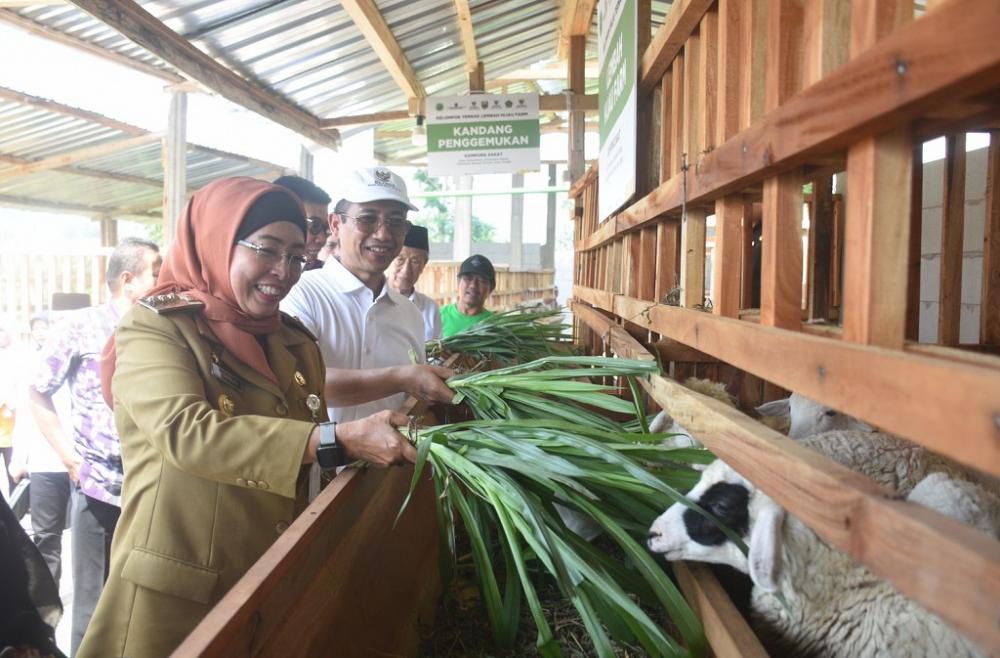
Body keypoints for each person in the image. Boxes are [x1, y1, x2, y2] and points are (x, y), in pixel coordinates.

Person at [77, 177, 416, 658]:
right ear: (217, 239)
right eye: (268, 249)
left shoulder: (293, 340)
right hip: (181, 594)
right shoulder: (158, 328)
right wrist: (334, 440)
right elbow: (188, 433)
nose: (283, 270)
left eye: (297, 256)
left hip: (270, 577)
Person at [29, 237, 161, 656]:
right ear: (128, 280)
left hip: (155, 487)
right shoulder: (81, 326)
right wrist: (69, 458)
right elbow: (37, 391)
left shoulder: (162, 327)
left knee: (143, 600)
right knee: (93, 605)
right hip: (100, 487)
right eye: (156, 271)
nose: (164, 279)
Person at [281, 167, 454, 425]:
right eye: (367, 219)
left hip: (393, 465)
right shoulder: (301, 294)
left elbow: (412, 399)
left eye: (395, 222)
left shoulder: (409, 313)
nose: (383, 234)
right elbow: (303, 383)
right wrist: (403, 377)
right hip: (324, 465)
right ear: (336, 225)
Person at [8, 314, 72, 586]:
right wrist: (19, 459)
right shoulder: (33, 369)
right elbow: (24, 415)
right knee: (47, 538)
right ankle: (47, 602)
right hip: (45, 465)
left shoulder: (84, 366)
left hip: (83, 466)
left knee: (89, 538)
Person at [386, 224, 441, 341]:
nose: (406, 270)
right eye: (400, 259)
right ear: (388, 259)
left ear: (423, 265)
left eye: (415, 261)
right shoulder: (369, 298)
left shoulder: (430, 308)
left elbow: (437, 355)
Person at [273, 175, 331, 271]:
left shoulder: (323, 276)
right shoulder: (252, 274)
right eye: (314, 225)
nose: (322, 239)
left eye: (326, 228)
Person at [440, 254, 496, 338]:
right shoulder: (438, 316)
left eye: (481, 280)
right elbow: (415, 350)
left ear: (491, 288)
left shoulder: (495, 324)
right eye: (468, 278)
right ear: (458, 283)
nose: (473, 285)